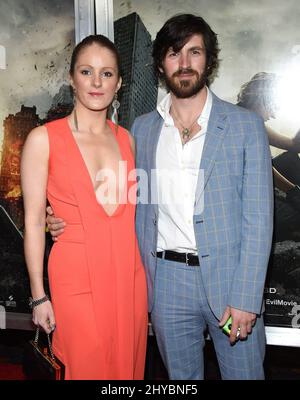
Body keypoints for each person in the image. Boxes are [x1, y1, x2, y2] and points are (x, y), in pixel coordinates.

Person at [47, 14, 274, 380]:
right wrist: (59, 214)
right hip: (166, 285)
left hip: (231, 282)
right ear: (159, 65)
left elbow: (260, 219)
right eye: (173, 54)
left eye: (194, 52)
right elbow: (112, 196)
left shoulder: (245, 126)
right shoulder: (142, 130)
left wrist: (247, 297)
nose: (184, 64)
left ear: (209, 61)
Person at [21, 34, 148, 380]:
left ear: (119, 83)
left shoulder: (128, 141)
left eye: (107, 74)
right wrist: (38, 295)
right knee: (84, 367)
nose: (96, 82)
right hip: (74, 278)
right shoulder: (43, 139)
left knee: (126, 372)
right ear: (71, 78)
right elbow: (33, 223)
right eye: (86, 71)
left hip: (129, 280)